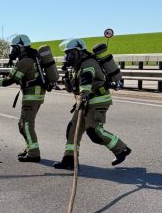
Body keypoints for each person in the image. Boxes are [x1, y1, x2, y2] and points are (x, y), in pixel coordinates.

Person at [54, 39, 132, 170]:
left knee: (94, 131)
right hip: (84, 101)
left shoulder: (88, 63)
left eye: (70, 53)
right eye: (66, 54)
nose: (67, 57)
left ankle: (121, 149)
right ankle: (69, 160)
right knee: (73, 130)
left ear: (78, 52)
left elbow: (86, 79)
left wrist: (84, 92)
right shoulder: (76, 65)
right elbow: (73, 86)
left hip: (97, 100)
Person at [0, 34, 46, 162]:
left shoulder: (25, 61)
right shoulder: (29, 58)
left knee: (26, 125)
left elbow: (8, 81)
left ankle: (34, 154)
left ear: (21, 47)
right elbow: (14, 75)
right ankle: (29, 149)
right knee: (22, 124)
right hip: (34, 95)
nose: (13, 51)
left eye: (14, 48)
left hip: (32, 96)